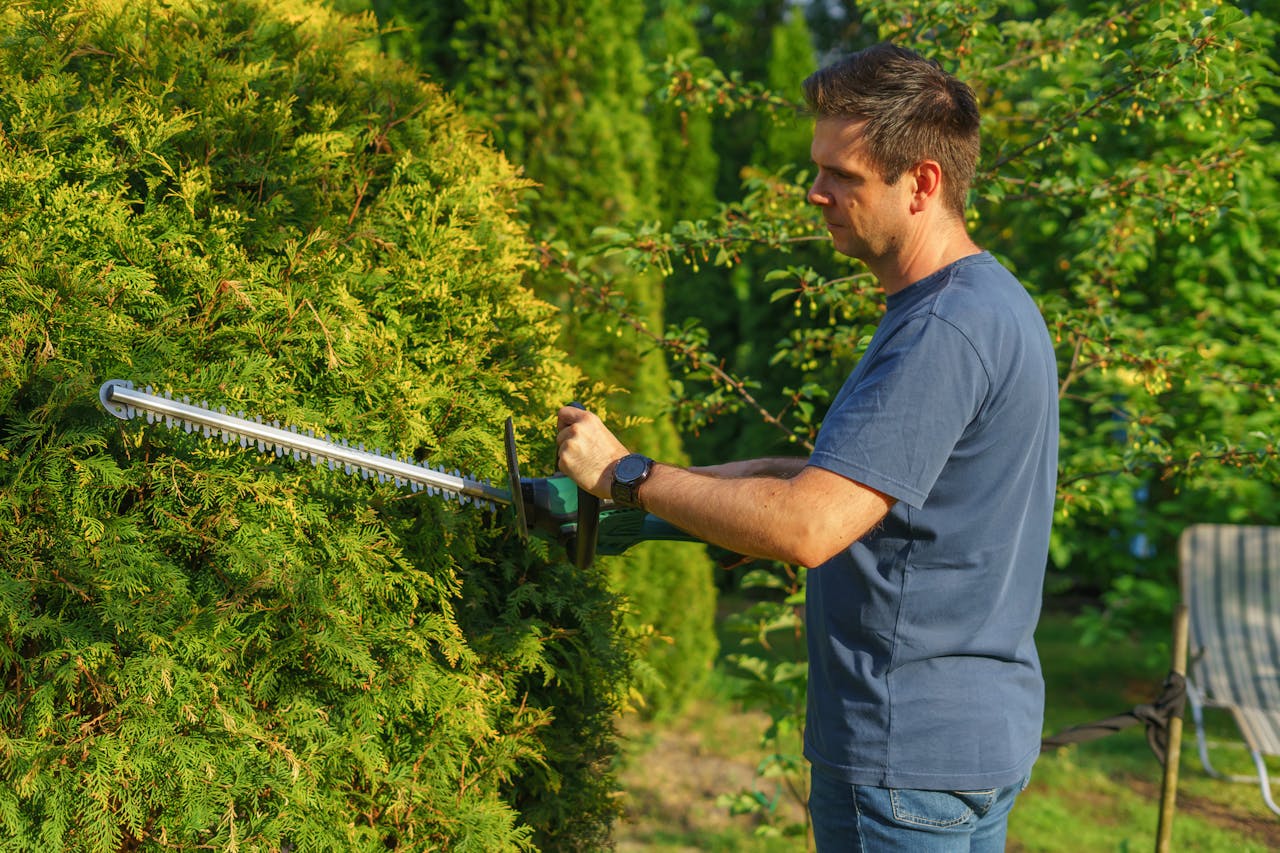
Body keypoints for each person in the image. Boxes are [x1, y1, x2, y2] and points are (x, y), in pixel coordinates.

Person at [556, 42, 1058, 852]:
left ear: (921, 182)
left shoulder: (940, 329)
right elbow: (847, 486)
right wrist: (659, 499)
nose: (814, 192)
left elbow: (808, 524)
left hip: (900, 758)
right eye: (816, 168)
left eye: (841, 175)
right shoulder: (992, 303)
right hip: (970, 742)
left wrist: (626, 474)